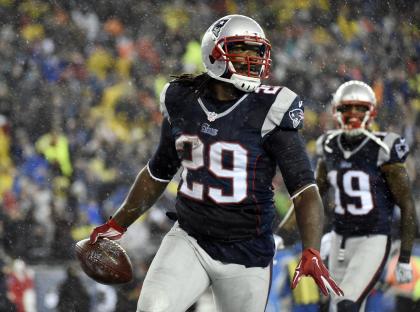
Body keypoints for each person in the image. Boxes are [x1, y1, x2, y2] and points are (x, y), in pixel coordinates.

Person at [90, 14, 342, 312]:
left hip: (247, 252)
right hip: (190, 239)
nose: (252, 58)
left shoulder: (270, 108)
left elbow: (304, 189)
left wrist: (311, 247)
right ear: (214, 53)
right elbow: (158, 172)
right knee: (151, 308)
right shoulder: (182, 99)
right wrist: (117, 224)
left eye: (256, 51)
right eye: (241, 50)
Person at [315, 80, 417, 312]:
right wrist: (282, 233)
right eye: (346, 108)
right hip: (339, 239)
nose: (353, 114)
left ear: (371, 111)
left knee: (346, 304)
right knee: (334, 306)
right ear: (336, 111)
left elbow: (407, 205)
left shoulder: (384, 147)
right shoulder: (329, 146)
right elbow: (311, 197)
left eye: (360, 108)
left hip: (373, 238)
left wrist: (404, 257)